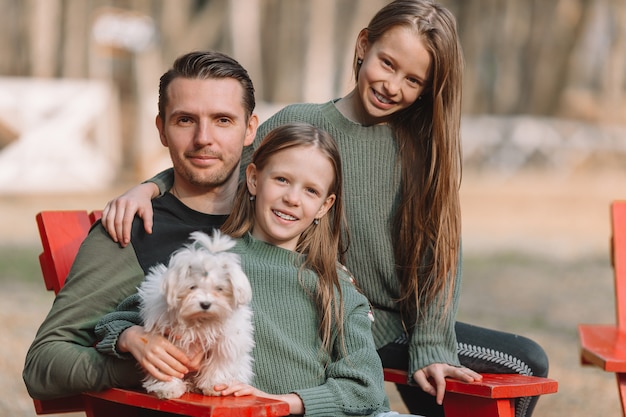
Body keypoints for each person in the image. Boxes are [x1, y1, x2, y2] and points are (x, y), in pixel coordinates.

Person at [100, 1, 550, 416]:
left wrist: (432, 344)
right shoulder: (302, 124)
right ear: (362, 46)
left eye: (413, 81)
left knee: (524, 363)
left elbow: (442, 254)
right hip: (328, 314)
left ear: (429, 89)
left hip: (390, 325)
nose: (392, 86)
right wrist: (152, 187)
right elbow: (225, 166)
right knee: (519, 365)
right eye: (387, 64)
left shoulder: (422, 150)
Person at [96, 123, 420, 417]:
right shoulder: (211, 261)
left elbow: (366, 388)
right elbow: (119, 318)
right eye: (282, 180)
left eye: (310, 190)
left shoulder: (336, 286)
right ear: (253, 179)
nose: (292, 198)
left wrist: (285, 402)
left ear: (324, 206)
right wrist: (130, 337)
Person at [22, 50, 259, 400]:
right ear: (161, 129)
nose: (203, 138)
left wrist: (153, 183)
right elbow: (42, 365)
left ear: (250, 129)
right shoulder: (129, 231)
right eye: (185, 121)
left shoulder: (280, 212)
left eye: (223, 120)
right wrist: (145, 359)